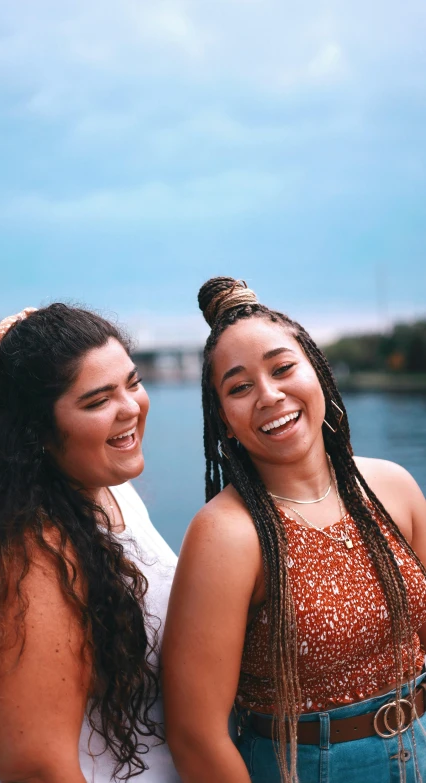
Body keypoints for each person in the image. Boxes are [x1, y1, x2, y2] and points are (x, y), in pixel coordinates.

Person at [162, 277, 426, 783]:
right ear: (222, 417)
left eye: (283, 368)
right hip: (310, 767)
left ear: (317, 372)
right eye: (239, 387)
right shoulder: (226, 535)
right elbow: (196, 736)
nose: (269, 395)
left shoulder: (393, 487)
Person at [0, 303, 181, 783]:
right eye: (98, 401)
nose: (132, 407)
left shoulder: (109, 490)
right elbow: (38, 772)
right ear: (34, 431)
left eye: (132, 383)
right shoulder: (19, 564)